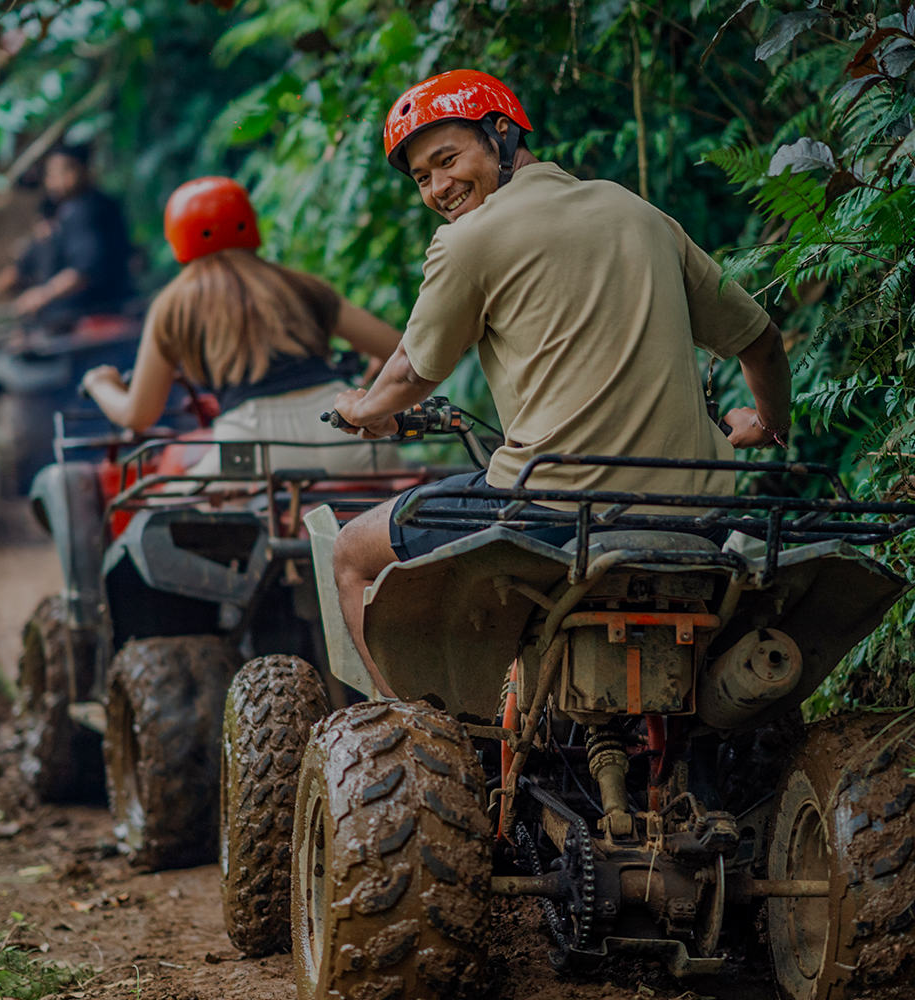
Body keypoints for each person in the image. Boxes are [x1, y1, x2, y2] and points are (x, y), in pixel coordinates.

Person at [328, 69, 793, 676]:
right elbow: (761, 342)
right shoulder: (640, 214)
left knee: (351, 553)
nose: (439, 188)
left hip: (553, 510)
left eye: (448, 160)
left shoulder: (468, 239)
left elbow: (411, 373)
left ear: (500, 134)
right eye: (423, 177)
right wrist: (768, 422)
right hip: (696, 514)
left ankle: (414, 741)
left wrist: (364, 409)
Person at [80, 176, 402, 475]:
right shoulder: (299, 285)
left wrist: (100, 383)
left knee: (168, 502)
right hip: (344, 430)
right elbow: (398, 350)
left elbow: (139, 416)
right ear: (249, 223)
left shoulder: (173, 305)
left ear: (178, 236)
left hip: (251, 442)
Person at [6, 142, 136, 329]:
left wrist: (43, 294)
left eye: (66, 170)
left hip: (96, 316)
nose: (57, 179)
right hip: (88, 315)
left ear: (85, 170)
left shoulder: (85, 209)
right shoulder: (70, 210)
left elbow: (86, 271)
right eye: (52, 174)